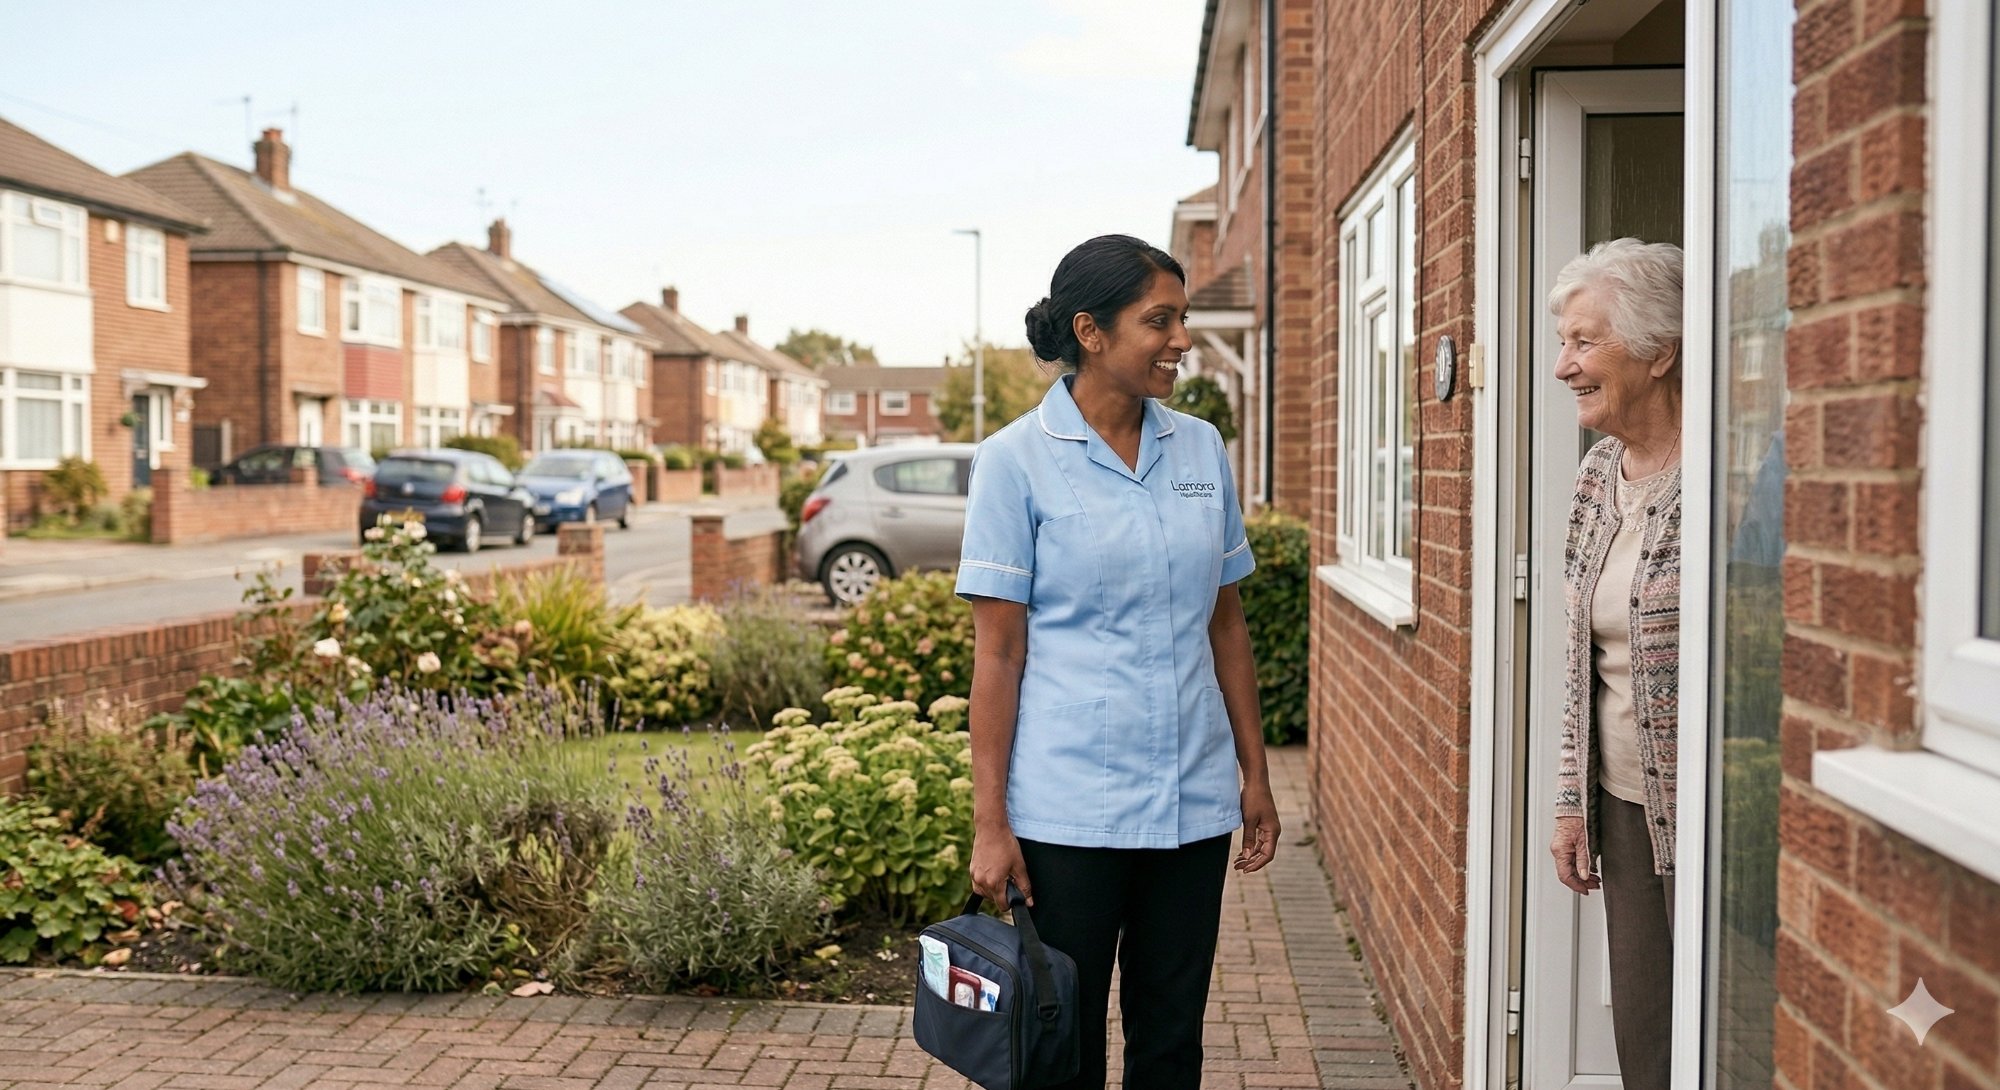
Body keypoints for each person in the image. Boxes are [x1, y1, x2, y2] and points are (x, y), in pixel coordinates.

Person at [955, 234, 1280, 1090]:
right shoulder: (1013, 463)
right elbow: (999, 655)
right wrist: (993, 823)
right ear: (1091, 332)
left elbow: (1226, 624)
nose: (1181, 340)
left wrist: (1254, 773)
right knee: (1060, 1045)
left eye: (1184, 319)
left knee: (1171, 1042)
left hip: (1190, 802)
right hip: (1069, 814)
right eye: (1160, 320)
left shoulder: (1202, 449)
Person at [1546, 237, 1684, 1090]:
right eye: (1566, 342)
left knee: (1731, 1025)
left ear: (1660, 351)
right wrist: (1572, 803)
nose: (1564, 366)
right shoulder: (1600, 473)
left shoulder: (1725, 475)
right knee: (1648, 1037)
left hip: (1713, 812)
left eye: (1584, 342)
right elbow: (1578, 660)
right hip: (1625, 805)